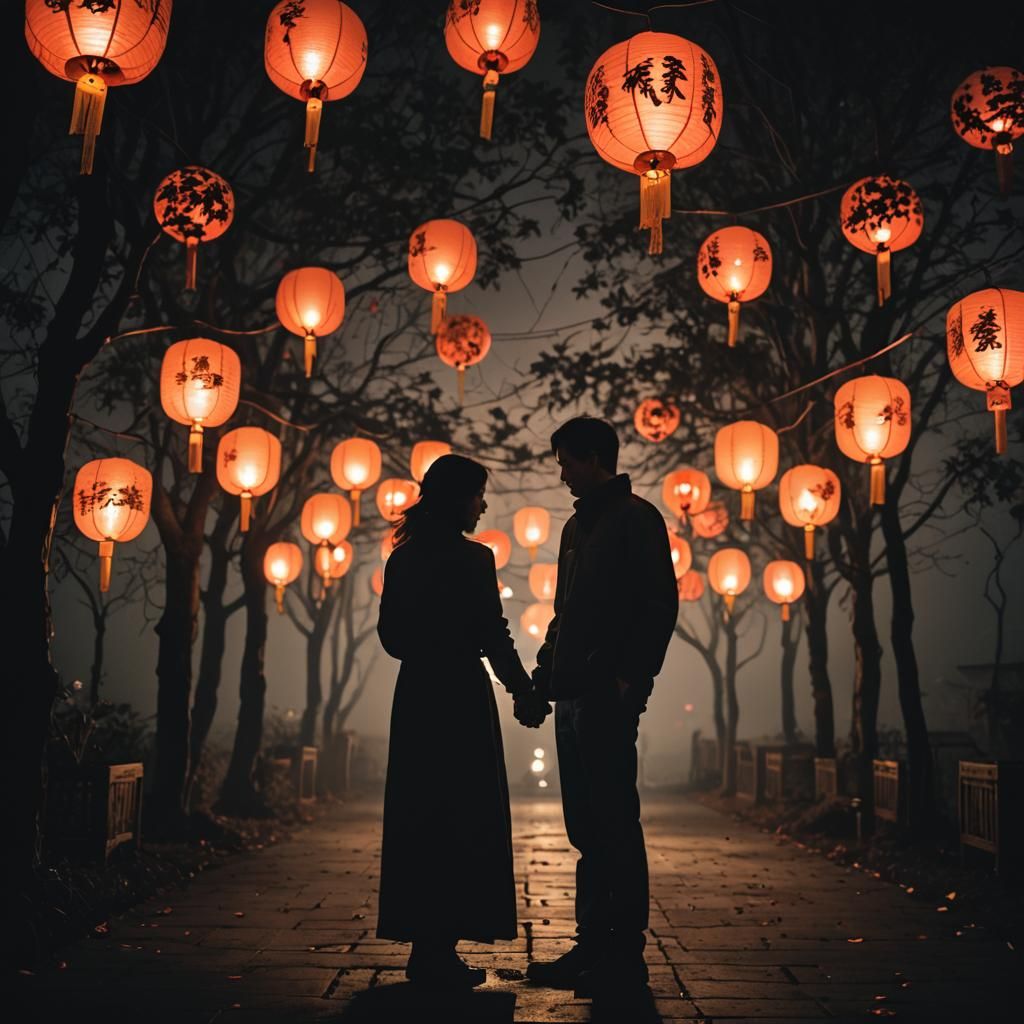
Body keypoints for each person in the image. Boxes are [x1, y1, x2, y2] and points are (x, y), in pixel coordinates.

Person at [376, 453, 549, 989]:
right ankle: (441, 945)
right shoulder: (475, 559)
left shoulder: (401, 560)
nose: (483, 504)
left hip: (418, 695)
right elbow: (494, 635)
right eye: (478, 494)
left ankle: (425, 947)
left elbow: (391, 639)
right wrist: (524, 691)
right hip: (461, 697)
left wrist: (428, 644)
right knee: (462, 813)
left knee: (421, 813)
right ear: (458, 499)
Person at [520, 417, 679, 995]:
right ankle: (594, 944)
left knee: (614, 820)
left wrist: (630, 679)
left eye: (566, 461)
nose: (561, 473)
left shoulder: (636, 521)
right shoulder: (575, 529)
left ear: (593, 458)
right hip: (572, 694)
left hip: (606, 694)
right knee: (587, 825)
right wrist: (543, 679)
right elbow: (564, 616)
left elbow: (660, 604)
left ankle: (623, 949)